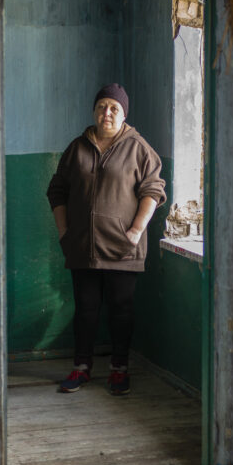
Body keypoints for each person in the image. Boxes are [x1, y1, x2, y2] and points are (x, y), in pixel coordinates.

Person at [46, 83, 166, 396]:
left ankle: (118, 369)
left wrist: (135, 232)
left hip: (123, 247)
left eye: (114, 107)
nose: (107, 113)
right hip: (83, 246)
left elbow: (153, 191)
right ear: (94, 111)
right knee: (85, 309)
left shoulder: (138, 147)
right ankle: (81, 367)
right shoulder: (77, 148)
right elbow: (57, 190)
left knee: (121, 309)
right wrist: (64, 232)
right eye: (102, 106)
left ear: (124, 113)